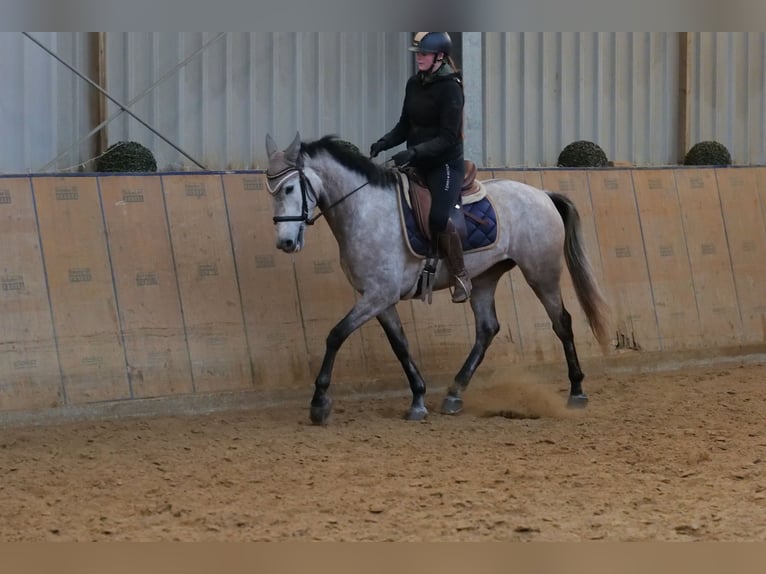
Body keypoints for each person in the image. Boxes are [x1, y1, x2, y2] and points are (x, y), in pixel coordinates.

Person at [369, 32, 471, 303]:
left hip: (444, 165)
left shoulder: (451, 89)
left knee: (437, 217)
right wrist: (384, 142)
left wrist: (414, 151)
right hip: (416, 162)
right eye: (417, 53)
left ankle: (461, 274)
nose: (419, 58)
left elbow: (449, 137)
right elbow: (405, 124)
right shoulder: (414, 83)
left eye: (423, 54)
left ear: (439, 57)